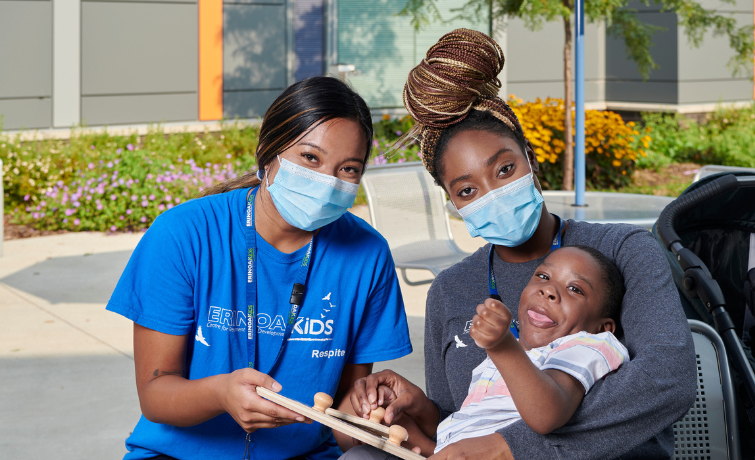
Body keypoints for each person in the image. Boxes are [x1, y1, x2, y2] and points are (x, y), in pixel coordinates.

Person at [348, 29, 697, 460]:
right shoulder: (451, 291)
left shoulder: (622, 251)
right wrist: (417, 410)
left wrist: (507, 449)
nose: (492, 193)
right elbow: (465, 424)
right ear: (453, 204)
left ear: (530, 158)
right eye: (467, 191)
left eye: (505, 169)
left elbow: (668, 379)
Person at [106, 76, 413, 460]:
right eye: (310, 158)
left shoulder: (367, 254)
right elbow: (155, 395)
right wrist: (219, 393)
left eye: (348, 169)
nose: (327, 181)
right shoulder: (183, 233)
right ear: (268, 152)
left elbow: (341, 413)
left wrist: (371, 413)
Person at [341, 245, 630, 458]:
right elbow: (462, 439)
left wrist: (502, 346)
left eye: (575, 289)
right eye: (543, 277)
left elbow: (547, 415)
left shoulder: (588, 344)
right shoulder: (493, 365)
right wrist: (406, 432)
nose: (550, 291)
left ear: (602, 326)